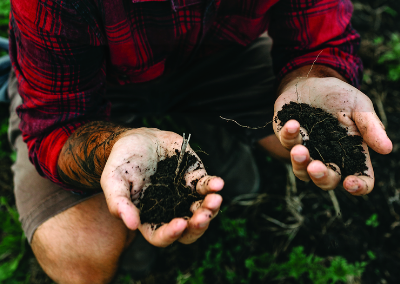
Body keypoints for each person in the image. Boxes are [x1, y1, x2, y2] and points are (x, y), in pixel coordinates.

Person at [7, 0, 392, 283]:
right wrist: (116, 145)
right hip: (93, 78)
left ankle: (210, 132)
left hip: (216, 56)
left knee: (300, 140)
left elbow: (318, 43)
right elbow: (58, 123)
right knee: (79, 256)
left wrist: (313, 79)